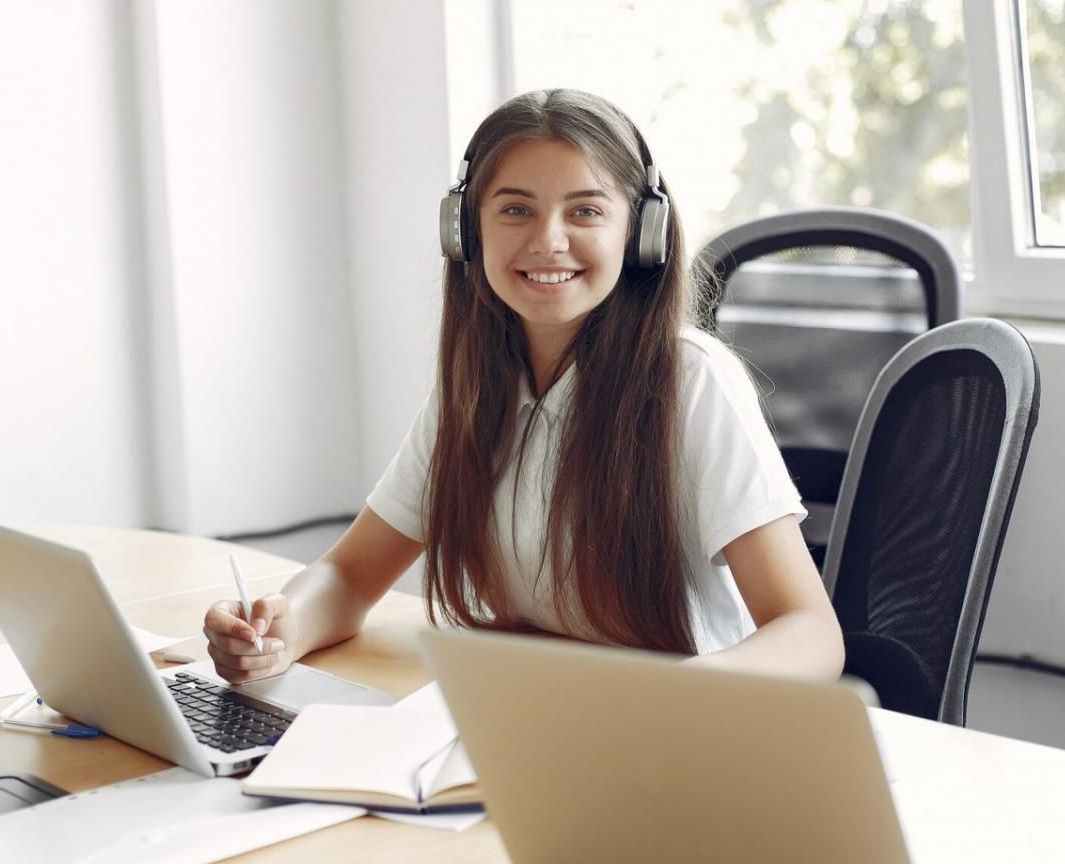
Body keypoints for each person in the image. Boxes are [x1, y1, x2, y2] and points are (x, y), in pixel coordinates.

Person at [204, 88, 843, 684]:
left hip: (676, 736)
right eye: (515, 209)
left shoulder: (690, 380)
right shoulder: (478, 386)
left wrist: (675, 699)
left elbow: (810, 632)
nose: (548, 241)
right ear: (467, 231)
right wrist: (279, 630)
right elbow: (348, 575)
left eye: (586, 210)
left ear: (641, 232)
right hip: (524, 711)